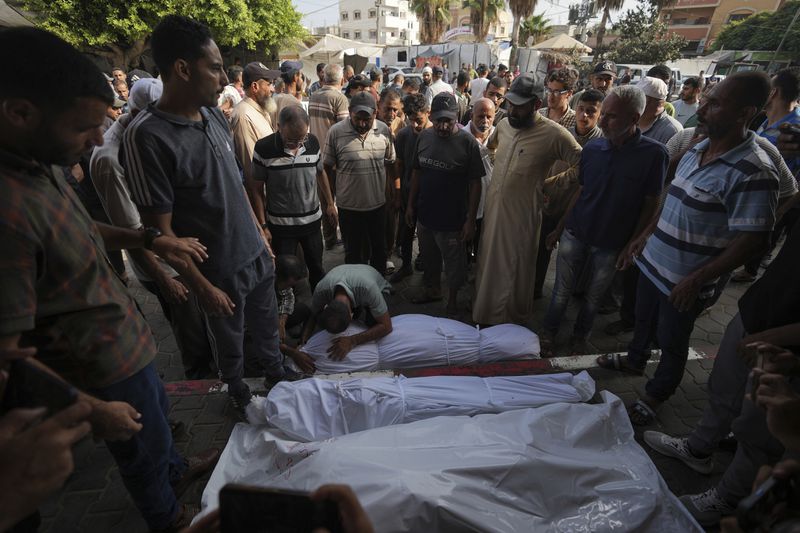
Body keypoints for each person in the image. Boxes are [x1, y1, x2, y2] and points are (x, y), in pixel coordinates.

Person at [0, 26, 220, 531]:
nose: (99, 140)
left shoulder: (40, 160)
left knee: (158, 427)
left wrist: (148, 240)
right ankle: (169, 517)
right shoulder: (6, 214)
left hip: (125, 342)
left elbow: (79, 226)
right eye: (84, 128)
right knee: (137, 448)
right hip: (94, 367)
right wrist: (92, 410)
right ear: (20, 113)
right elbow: (7, 361)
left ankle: (176, 471)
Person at [123, 15, 299, 417]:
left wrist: (261, 234)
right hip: (218, 271)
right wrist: (202, 288)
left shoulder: (215, 115)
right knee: (229, 340)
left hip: (254, 254)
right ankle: (235, 389)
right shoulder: (147, 136)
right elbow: (160, 234)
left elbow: (236, 186)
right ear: (182, 69)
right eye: (215, 67)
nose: (224, 79)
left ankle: (274, 371)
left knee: (266, 322)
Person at [596, 72, 779, 427]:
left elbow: (755, 240)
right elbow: (672, 199)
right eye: (706, 100)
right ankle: (635, 360)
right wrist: (644, 235)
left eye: (715, 103)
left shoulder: (755, 170)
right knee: (643, 323)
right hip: (652, 264)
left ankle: (656, 394)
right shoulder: (697, 149)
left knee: (673, 342)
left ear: (744, 113)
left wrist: (698, 280)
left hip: (685, 281)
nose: (703, 109)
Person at [643, 215, 800, 525]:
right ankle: (698, 448)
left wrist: (779, 337)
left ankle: (730, 498)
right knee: (723, 388)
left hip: (786, 346)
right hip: (757, 311)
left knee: (761, 427)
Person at [91, 78, 216, 380]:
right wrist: (163, 279)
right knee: (192, 335)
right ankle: (201, 387)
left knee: (202, 323)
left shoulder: (145, 141)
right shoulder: (111, 158)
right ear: (139, 115)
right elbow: (132, 232)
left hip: (178, 253)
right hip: (162, 266)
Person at [541, 85, 666, 356]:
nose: (604, 121)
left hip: (611, 243)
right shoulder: (593, 149)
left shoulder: (654, 155)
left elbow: (652, 202)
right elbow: (581, 192)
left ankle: (579, 336)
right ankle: (549, 332)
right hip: (576, 233)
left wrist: (634, 242)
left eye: (611, 116)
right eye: (604, 114)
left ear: (634, 119)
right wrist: (560, 228)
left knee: (594, 297)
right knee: (561, 291)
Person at [472, 74, 582, 327]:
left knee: (514, 269)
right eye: (510, 103)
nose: (513, 109)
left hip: (523, 217)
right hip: (494, 209)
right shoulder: (505, 124)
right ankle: (484, 313)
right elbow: (491, 147)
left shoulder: (554, 134)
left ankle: (509, 323)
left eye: (520, 105)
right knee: (488, 264)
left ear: (535, 104)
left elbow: (582, 163)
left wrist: (550, 185)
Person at [405, 93, 483, 316]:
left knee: (454, 263)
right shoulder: (424, 137)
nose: (442, 125)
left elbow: (476, 183)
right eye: (438, 120)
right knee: (429, 257)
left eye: (448, 120)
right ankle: (433, 290)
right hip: (426, 214)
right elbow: (417, 172)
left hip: (452, 220)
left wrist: (470, 220)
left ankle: (453, 300)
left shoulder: (467, 143)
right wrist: (411, 205)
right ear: (431, 116)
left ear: (456, 117)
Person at [250, 106, 335, 290]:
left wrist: (329, 203)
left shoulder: (312, 142)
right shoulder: (264, 148)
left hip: (312, 223)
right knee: (285, 274)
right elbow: (256, 190)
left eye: (301, 138)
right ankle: (287, 312)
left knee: (317, 268)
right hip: (281, 227)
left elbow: (320, 173)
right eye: (291, 140)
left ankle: (320, 306)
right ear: (278, 126)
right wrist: (263, 226)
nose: (297, 145)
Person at [534, 89, 605, 300]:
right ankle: (535, 291)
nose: (584, 116)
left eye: (591, 111)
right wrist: (545, 189)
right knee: (541, 250)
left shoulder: (601, 144)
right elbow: (551, 166)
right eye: (581, 110)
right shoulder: (565, 135)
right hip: (551, 201)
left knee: (571, 263)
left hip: (577, 212)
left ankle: (569, 297)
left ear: (599, 114)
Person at [322, 92, 396, 275]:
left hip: (377, 206)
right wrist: (330, 202)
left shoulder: (384, 131)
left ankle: (377, 289)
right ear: (349, 112)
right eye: (358, 119)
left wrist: (394, 194)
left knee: (379, 252)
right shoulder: (336, 132)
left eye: (367, 119)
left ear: (375, 114)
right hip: (349, 209)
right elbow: (325, 168)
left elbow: (391, 163)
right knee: (354, 255)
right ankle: (356, 292)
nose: (362, 124)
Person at [301, 264, 393, 361]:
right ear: (326, 307)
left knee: (372, 323)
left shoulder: (368, 288)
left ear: (351, 314)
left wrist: (353, 340)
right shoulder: (321, 291)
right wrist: (303, 344)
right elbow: (313, 314)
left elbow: (387, 326)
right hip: (348, 277)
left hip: (376, 285)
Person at [391, 93, 432, 282]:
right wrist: (399, 193)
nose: (415, 125)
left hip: (429, 196)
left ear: (428, 113)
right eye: (410, 119)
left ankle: (428, 266)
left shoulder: (436, 135)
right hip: (408, 193)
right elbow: (398, 165)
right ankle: (406, 265)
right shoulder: (403, 135)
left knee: (428, 235)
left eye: (419, 120)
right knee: (406, 232)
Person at [309, 64, 349, 251]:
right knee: (340, 199)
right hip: (334, 159)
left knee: (325, 199)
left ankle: (330, 238)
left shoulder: (314, 95)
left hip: (318, 156)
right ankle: (341, 237)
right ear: (341, 80)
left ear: (324, 78)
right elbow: (344, 130)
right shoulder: (339, 98)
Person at [231, 62, 281, 189]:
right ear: (255, 86)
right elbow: (251, 173)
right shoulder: (244, 116)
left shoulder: (260, 109)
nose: (273, 89)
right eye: (269, 84)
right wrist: (259, 208)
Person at [464, 97, 496, 264]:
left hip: (491, 204)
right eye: (480, 116)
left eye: (489, 116)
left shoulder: (499, 136)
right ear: (471, 116)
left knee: (483, 243)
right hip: (467, 204)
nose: (485, 121)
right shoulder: (462, 137)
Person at [637, 76, 683, 144]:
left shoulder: (672, 131)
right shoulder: (628, 121)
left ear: (660, 103)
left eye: (641, 99)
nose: (635, 102)